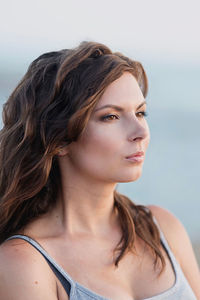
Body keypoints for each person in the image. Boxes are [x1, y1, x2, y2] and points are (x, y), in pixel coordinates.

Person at [0, 41, 199, 300]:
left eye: (140, 113)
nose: (140, 133)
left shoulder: (162, 228)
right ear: (59, 139)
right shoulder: (24, 262)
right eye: (111, 117)